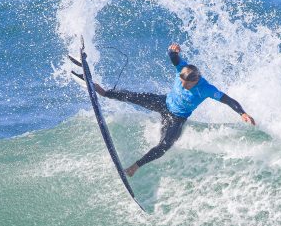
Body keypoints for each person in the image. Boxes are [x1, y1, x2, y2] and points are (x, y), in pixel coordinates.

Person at [93, 43, 255, 177]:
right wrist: (172, 50)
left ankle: (134, 167)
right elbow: (173, 57)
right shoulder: (182, 68)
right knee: (133, 96)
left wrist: (242, 112)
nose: (183, 86)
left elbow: (228, 100)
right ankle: (104, 92)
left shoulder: (206, 88)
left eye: (187, 85)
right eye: (181, 82)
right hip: (164, 102)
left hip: (177, 118)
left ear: (196, 80)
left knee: (164, 145)